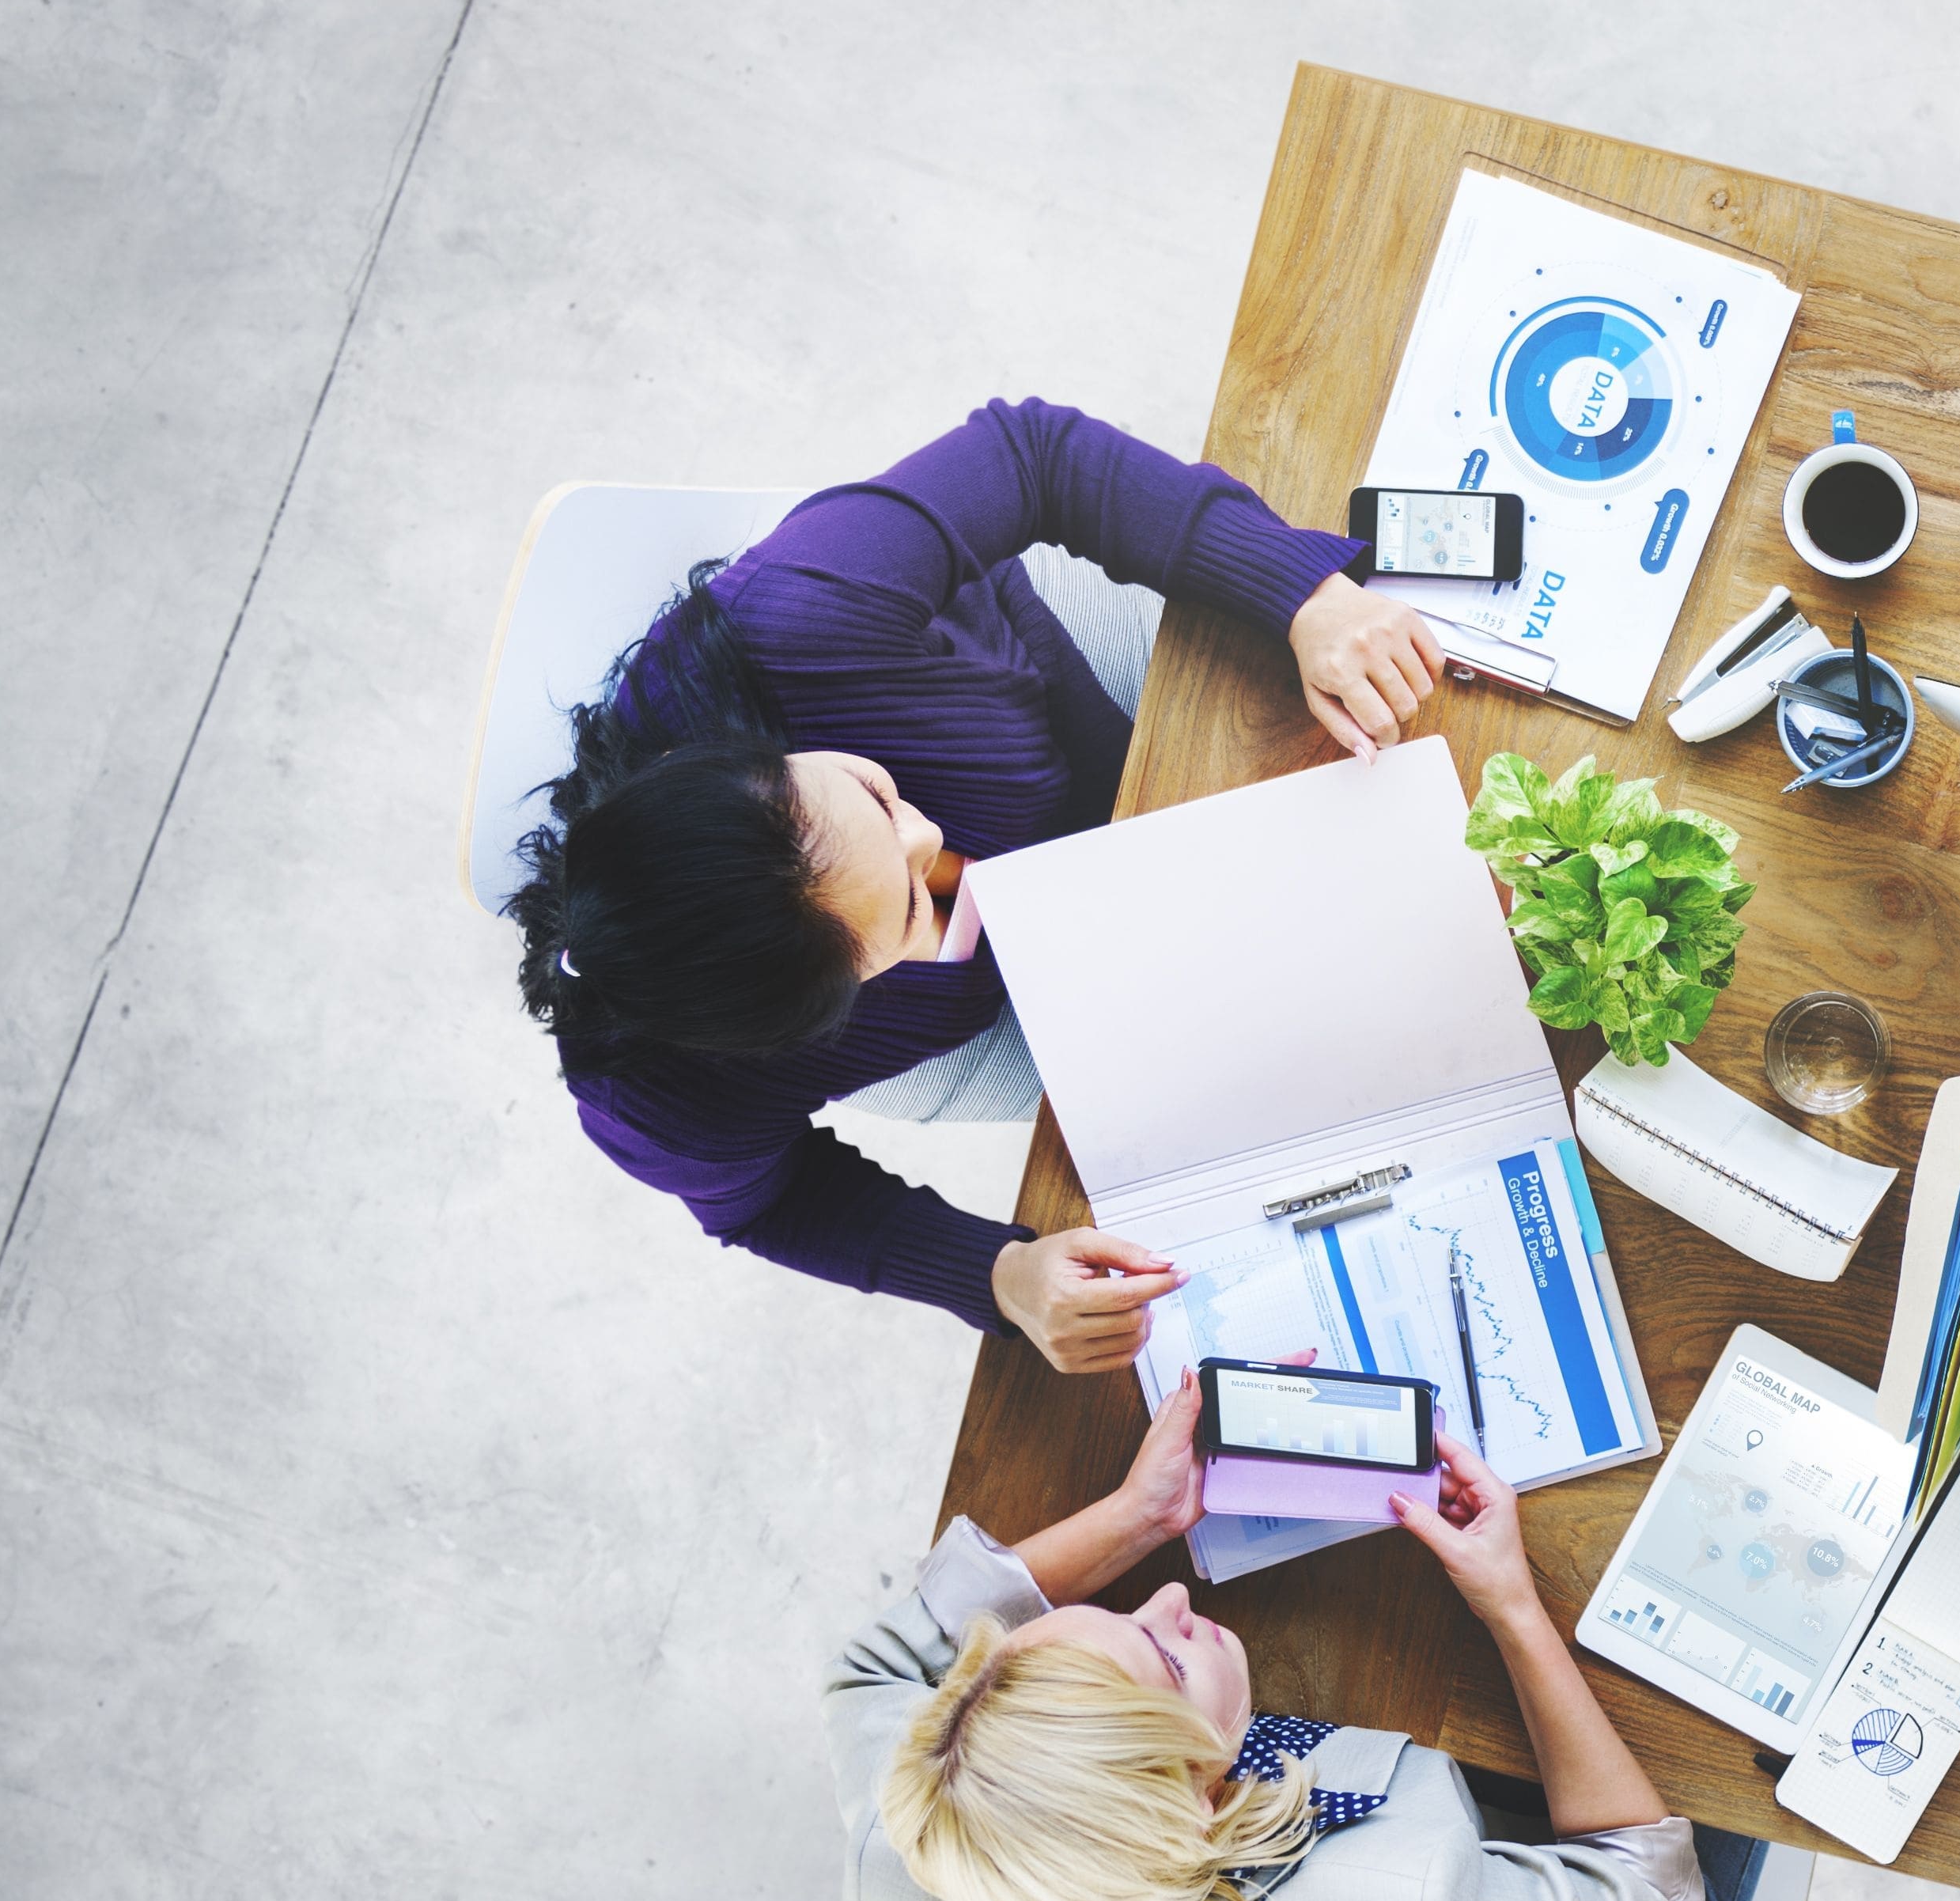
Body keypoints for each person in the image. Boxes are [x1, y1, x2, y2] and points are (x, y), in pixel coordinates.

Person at [502, 397, 1448, 1370]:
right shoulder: (661, 1103)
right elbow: (774, 1200)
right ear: (814, 1019)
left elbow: (1035, 456)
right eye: (913, 907)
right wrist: (999, 1275)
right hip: (1024, 993)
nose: (932, 835)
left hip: (1060, 710)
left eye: (872, 794)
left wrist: (1302, 596)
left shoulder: (802, 611)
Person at [826, 1380, 1760, 1901]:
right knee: (1743, 1731)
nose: (1173, 1595)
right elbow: (1650, 1891)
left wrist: (1137, 1515)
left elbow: (874, 1666)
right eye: (1166, 1657)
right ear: (1197, 1803)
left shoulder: (900, 1832)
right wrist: (1510, 1604)